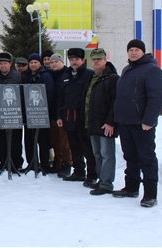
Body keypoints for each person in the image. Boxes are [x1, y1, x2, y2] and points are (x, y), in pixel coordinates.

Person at [112, 39, 162, 208]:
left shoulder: (152, 70)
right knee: (130, 156)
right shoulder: (127, 69)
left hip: (142, 124)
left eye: (136, 49)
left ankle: (150, 194)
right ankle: (131, 187)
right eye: (131, 50)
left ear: (143, 52)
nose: (133, 52)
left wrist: (149, 120)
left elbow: (157, 97)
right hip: (125, 123)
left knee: (146, 158)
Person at [56, 48, 97, 187]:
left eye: (77, 59)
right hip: (68, 117)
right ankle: (79, 172)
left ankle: (92, 175)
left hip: (83, 119)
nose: (74, 62)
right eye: (72, 59)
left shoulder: (89, 75)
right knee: (74, 147)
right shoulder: (66, 76)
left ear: (82, 61)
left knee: (87, 148)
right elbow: (60, 97)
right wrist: (59, 116)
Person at [84, 48, 119, 195]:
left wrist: (111, 121)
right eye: (94, 59)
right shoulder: (92, 77)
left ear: (105, 60)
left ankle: (106, 184)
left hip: (106, 124)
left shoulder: (112, 78)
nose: (96, 61)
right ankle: (101, 180)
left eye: (99, 59)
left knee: (107, 154)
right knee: (97, 154)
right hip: (93, 123)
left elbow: (115, 102)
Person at [22, 53, 54, 174]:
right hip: (29, 113)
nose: (33, 64)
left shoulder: (46, 76)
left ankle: (44, 164)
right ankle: (31, 163)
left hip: (42, 114)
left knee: (43, 140)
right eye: (31, 62)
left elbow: (50, 94)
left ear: (40, 63)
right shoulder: (27, 76)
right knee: (29, 140)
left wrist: (46, 110)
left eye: (35, 62)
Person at [0, 52, 23, 171]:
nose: (3, 66)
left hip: (14, 113)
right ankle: (3, 162)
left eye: (5, 63)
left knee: (15, 139)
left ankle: (16, 163)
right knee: (0, 140)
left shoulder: (18, 77)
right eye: (0, 64)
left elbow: (21, 93)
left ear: (10, 64)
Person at [48, 53, 73, 178]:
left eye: (56, 62)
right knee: (55, 141)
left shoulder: (67, 75)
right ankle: (58, 163)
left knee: (64, 142)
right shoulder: (50, 75)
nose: (54, 64)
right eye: (52, 62)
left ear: (62, 62)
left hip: (63, 114)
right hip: (52, 113)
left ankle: (67, 164)